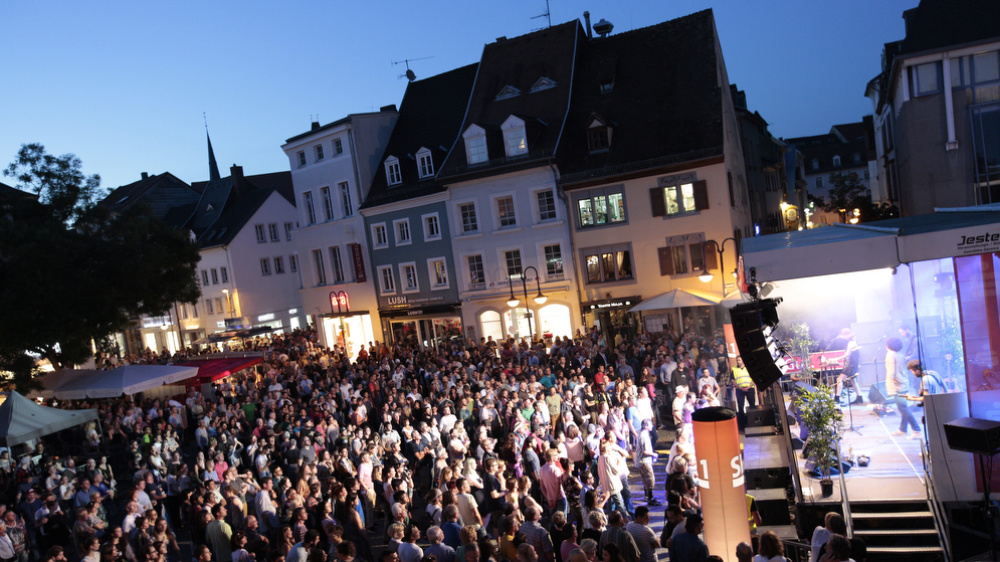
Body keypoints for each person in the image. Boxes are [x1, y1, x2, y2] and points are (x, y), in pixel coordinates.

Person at [885, 337, 920, 438]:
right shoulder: (900, 354)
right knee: (903, 408)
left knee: (903, 408)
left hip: (897, 385)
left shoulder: (890, 355)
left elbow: (891, 372)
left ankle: (916, 429)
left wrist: (890, 387)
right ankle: (902, 429)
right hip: (903, 383)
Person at [832, 329, 863, 405]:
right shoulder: (852, 342)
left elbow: (847, 355)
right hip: (851, 364)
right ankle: (860, 397)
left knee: (839, 379)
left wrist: (835, 359)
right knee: (853, 380)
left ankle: (837, 398)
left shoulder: (851, 343)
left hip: (850, 365)